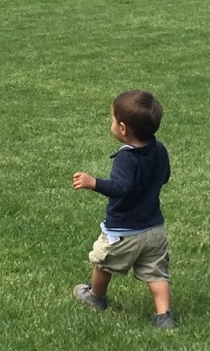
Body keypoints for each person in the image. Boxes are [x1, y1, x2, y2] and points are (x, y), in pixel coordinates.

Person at [72, 90, 174, 330]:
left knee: (103, 263)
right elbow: (165, 176)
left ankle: (95, 296)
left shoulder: (126, 159)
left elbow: (121, 188)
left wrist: (92, 182)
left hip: (123, 232)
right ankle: (164, 316)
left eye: (113, 120)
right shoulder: (159, 150)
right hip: (154, 230)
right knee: (157, 273)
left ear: (124, 128)